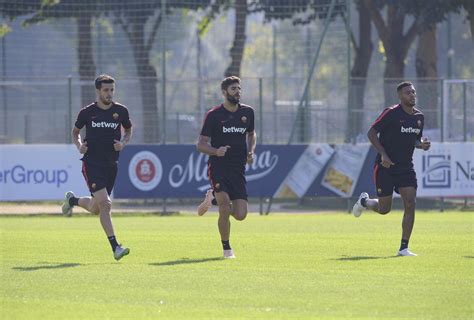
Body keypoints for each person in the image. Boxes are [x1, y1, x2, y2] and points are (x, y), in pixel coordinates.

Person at [351, 81, 431, 257]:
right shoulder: (391, 113)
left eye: (413, 92)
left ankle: (403, 248)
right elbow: (371, 133)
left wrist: (422, 145)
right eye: (408, 93)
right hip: (385, 167)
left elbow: (415, 140)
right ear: (400, 96)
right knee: (384, 209)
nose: (412, 95)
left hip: (405, 168)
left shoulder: (419, 117)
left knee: (410, 203)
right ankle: (365, 202)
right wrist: (383, 154)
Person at [61, 74, 133, 261]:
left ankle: (72, 201)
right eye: (106, 90)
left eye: (111, 90)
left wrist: (123, 143)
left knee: (96, 208)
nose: (109, 93)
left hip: (111, 164)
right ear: (98, 91)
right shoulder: (87, 112)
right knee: (106, 204)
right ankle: (115, 247)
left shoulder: (121, 111)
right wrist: (79, 146)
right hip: (92, 163)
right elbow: (75, 132)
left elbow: (129, 130)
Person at [196, 76, 257, 259]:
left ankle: (211, 199)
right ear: (224, 92)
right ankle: (227, 249)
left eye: (239, 88)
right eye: (233, 89)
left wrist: (250, 151)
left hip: (238, 168)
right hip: (219, 166)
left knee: (240, 215)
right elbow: (200, 144)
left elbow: (252, 134)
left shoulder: (248, 112)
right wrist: (216, 151)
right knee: (224, 207)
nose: (237, 92)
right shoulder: (214, 115)